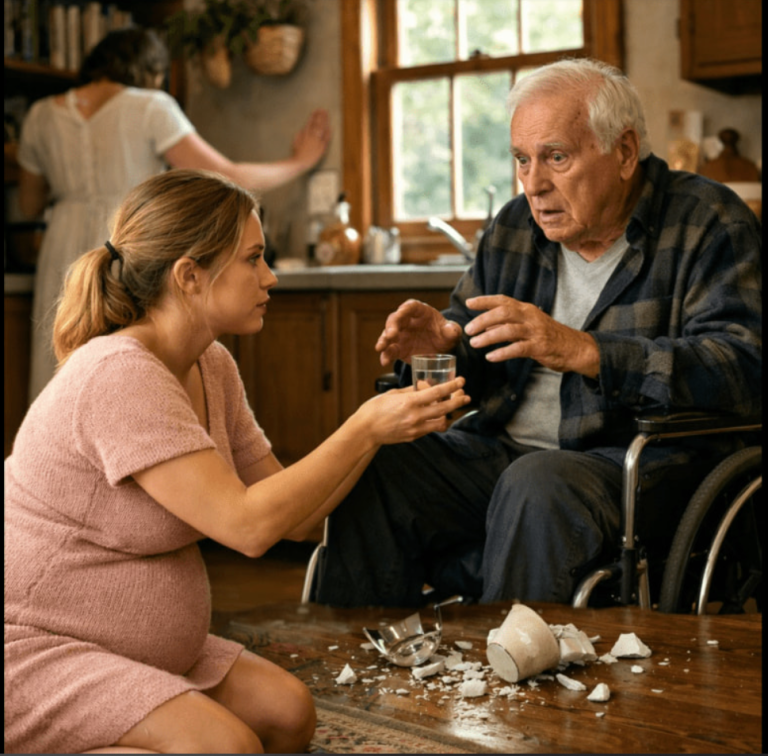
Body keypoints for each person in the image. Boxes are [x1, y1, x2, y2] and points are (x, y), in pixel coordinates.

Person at [4, 169, 469, 754]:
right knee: (226, 747)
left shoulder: (211, 364)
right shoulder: (118, 374)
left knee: (287, 713)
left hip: (128, 650)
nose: (270, 277)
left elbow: (293, 520)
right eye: (253, 259)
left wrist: (377, 432)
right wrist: (363, 426)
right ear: (189, 276)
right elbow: (246, 526)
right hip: (35, 648)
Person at [312, 58, 762, 609]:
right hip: (502, 455)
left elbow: (743, 366)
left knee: (536, 483)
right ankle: (357, 676)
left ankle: (508, 684)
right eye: (522, 160)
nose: (533, 184)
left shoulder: (709, 222)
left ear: (623, 153)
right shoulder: (513, 228)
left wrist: (587, 351)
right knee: (374, 461)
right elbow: (471, 351)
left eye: (556, 157)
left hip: (638, 467)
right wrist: (445, 347)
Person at [17, 26, 331, 403]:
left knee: (66, 364)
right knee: (132, 375)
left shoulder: (39, 116)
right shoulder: (151, 106)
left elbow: (29, 204)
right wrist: (301, 161)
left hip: (62, 250)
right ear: (149, 70)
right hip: (138, 238)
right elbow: (224, 179)